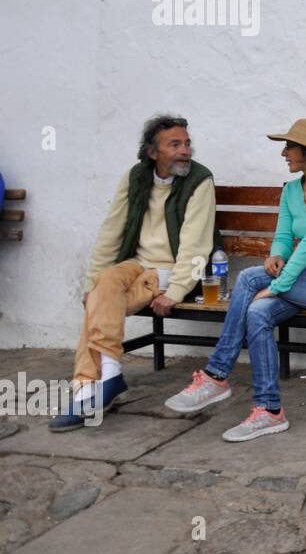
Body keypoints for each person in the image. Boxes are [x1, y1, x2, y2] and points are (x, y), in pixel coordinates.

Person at [164, 118, 306, 442]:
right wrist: (275, 257)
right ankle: (269, 410)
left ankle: (216, 374)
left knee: (247, 279)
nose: (284, 153)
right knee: (258, 313)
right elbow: (285, 237)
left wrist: (275, 286)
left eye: (289, 147)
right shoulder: (290, 190)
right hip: (303, 277)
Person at [51, 115, 218, 431]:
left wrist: (176, 291)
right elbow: (110, 233)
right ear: (153, 152)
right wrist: (91, 283)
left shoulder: (200, 180)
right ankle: (109, 375)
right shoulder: (135, 177)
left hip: (171, 271)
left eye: (187, 143)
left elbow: (196, 245)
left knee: (101, 300)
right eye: (175, 144)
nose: (185, 150)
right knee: (103, 285)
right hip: (136, 266)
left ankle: (89, 387)